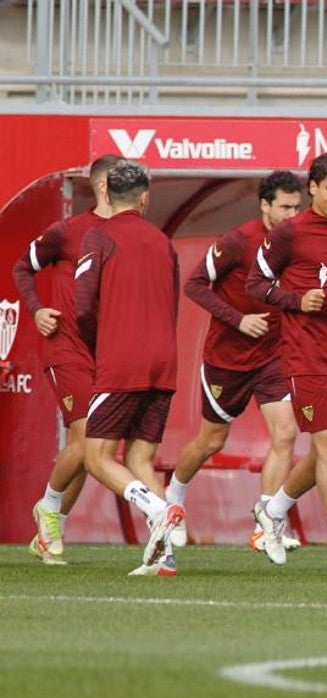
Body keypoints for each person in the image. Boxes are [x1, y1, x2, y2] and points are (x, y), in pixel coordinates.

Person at [247, 150, 327, 573]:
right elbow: (256, 284)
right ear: (313, 187)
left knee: (322, 454)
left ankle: (271, 510)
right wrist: (296, 300)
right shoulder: (291, 234)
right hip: (304, 359)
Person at [165, 171, 303, 552]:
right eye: (285, 207)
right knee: (211, 440)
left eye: (297, 206)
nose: (293, 214)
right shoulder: (239, 241)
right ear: (265, 205)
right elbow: (194, 285)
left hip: (274, 356)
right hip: (227, 359)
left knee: (286, 434)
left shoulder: (299, 242)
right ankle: (174, 496)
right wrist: (238, 320)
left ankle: (266, 523)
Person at [73, 160, 184, 575]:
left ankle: (157, 510)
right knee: (141, 459)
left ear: (106, 194)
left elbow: (81, 306)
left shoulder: (97, 236)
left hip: (122, 360)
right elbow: (172, 303)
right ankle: (164, 556)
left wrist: (99, 344)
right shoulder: (162, 240)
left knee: (96, 457)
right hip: (164, 360)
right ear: (144, 198)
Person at [13, 154, 118, 564]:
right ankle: (49, 508)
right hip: (66, 349)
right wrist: (38, 308)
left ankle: (51, 524)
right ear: (105, 186)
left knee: (94, 451)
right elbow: (23, 267)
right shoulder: (67, 232)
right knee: (89, 436)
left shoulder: (130, 234)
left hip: (107, 354)